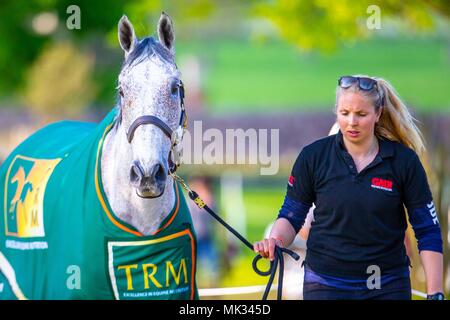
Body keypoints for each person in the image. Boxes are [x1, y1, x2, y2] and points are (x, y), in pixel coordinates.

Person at [254, 75, 444, 300]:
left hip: (387, 285)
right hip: (324, 284)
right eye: (344, 113)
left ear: (378, 113)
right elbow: (291, 216)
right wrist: (275, 240)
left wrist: (435, 293)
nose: (352, 122)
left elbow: (427, 229)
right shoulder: (312, 157)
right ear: (336, 111)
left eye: (361, 114)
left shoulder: (404, 162)